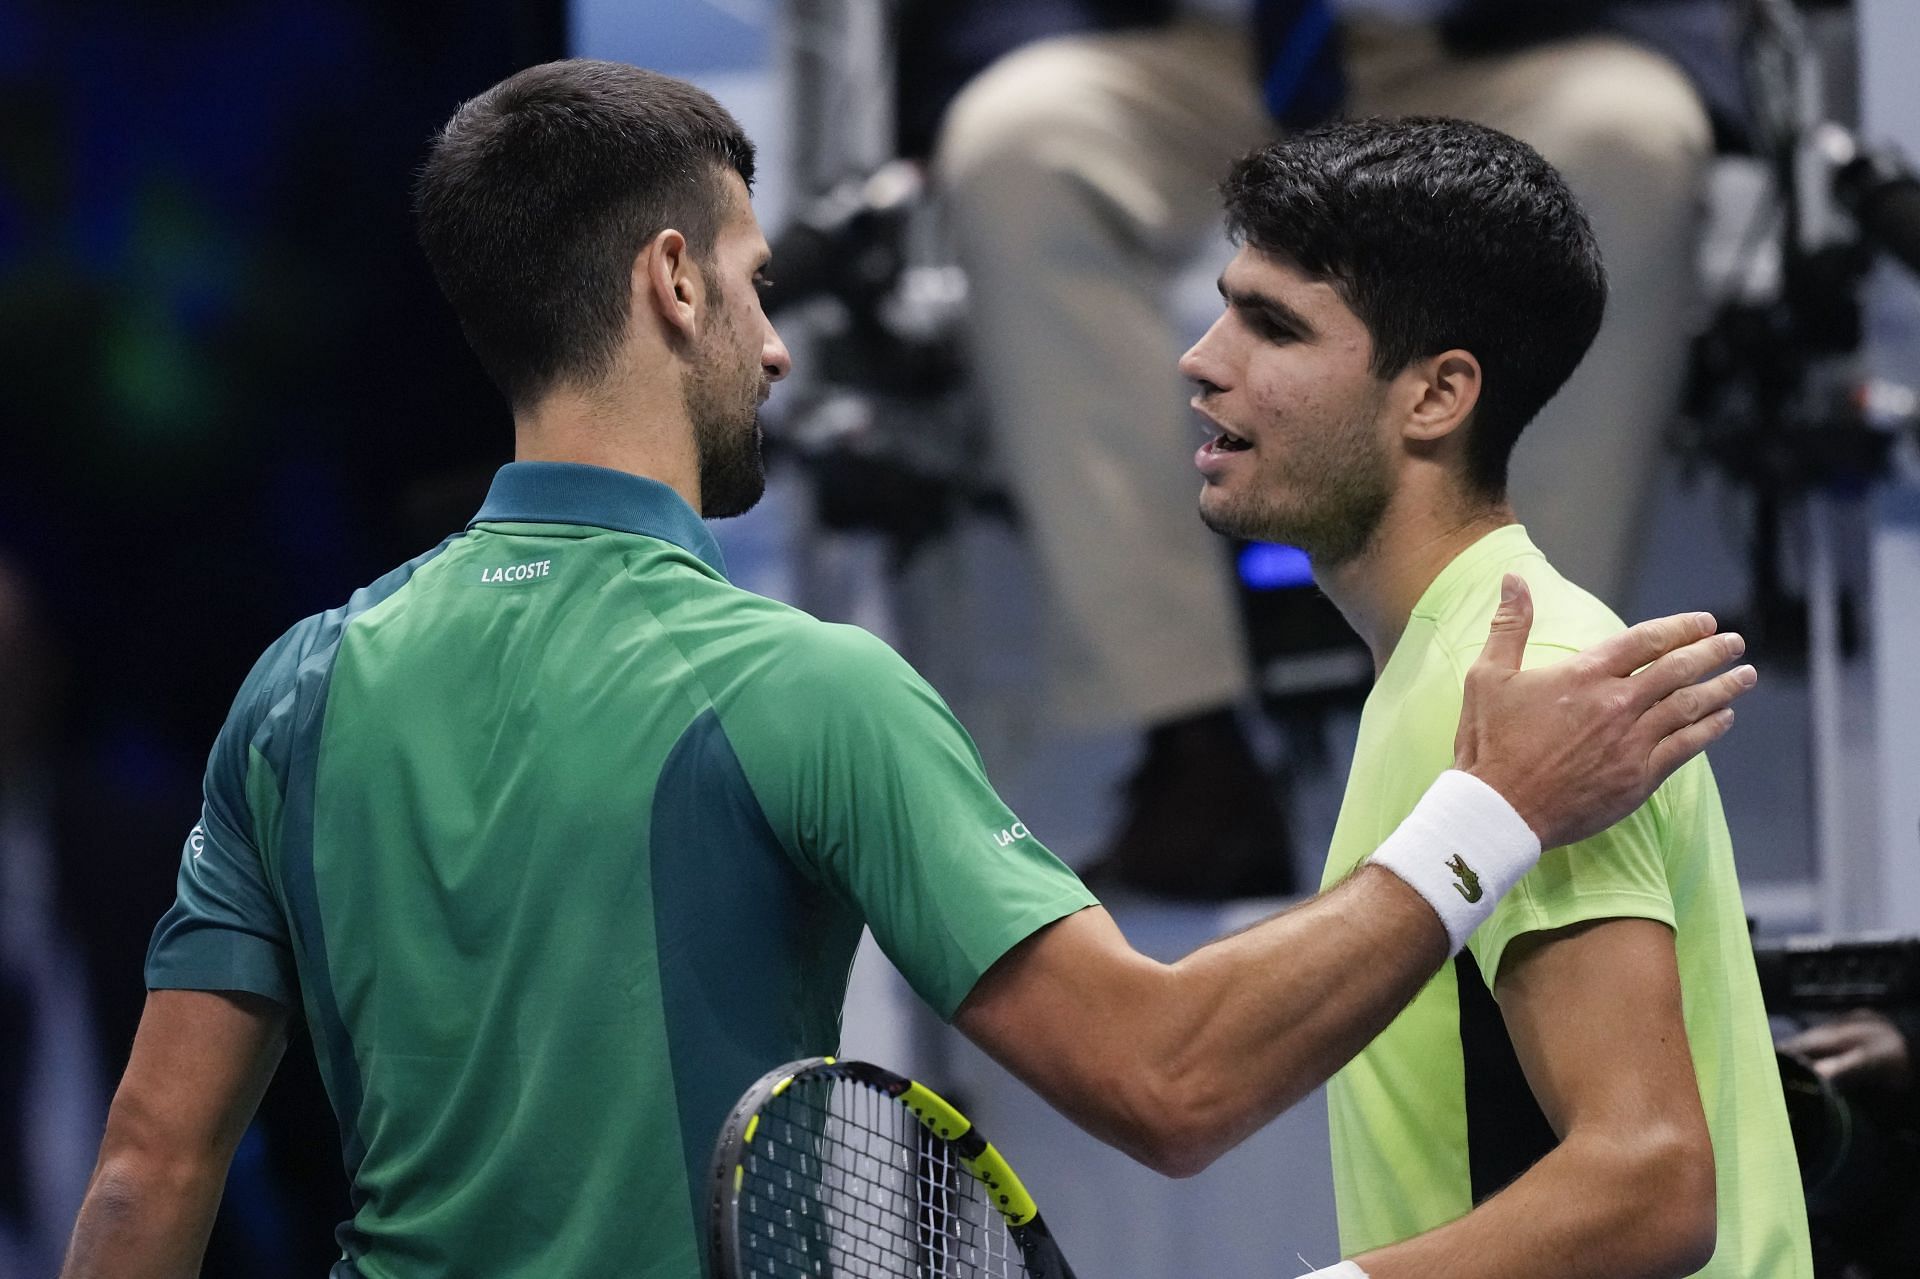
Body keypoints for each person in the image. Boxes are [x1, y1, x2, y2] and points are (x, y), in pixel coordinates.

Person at [59, 64, 1755, 1279]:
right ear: (670, 283)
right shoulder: (804, 688)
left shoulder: (294, 683)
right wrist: (1488, 817)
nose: (779, 342)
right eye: (754, 284)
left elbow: (148, 1165)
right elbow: (1168, 1079)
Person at [1178, 115, 1809, 1278]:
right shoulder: (1448, 665)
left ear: (1436, 395)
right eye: (1226, 305)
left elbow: (1650, 1179)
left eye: (1272, 324)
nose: (1203, 357)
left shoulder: (1522, 674)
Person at [927, 0, 1736, 893]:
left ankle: (1503, 715)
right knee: (1015, 147)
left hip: (1478, 48)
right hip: (1187, 46)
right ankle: (1191, 747)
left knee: (1628, 137)